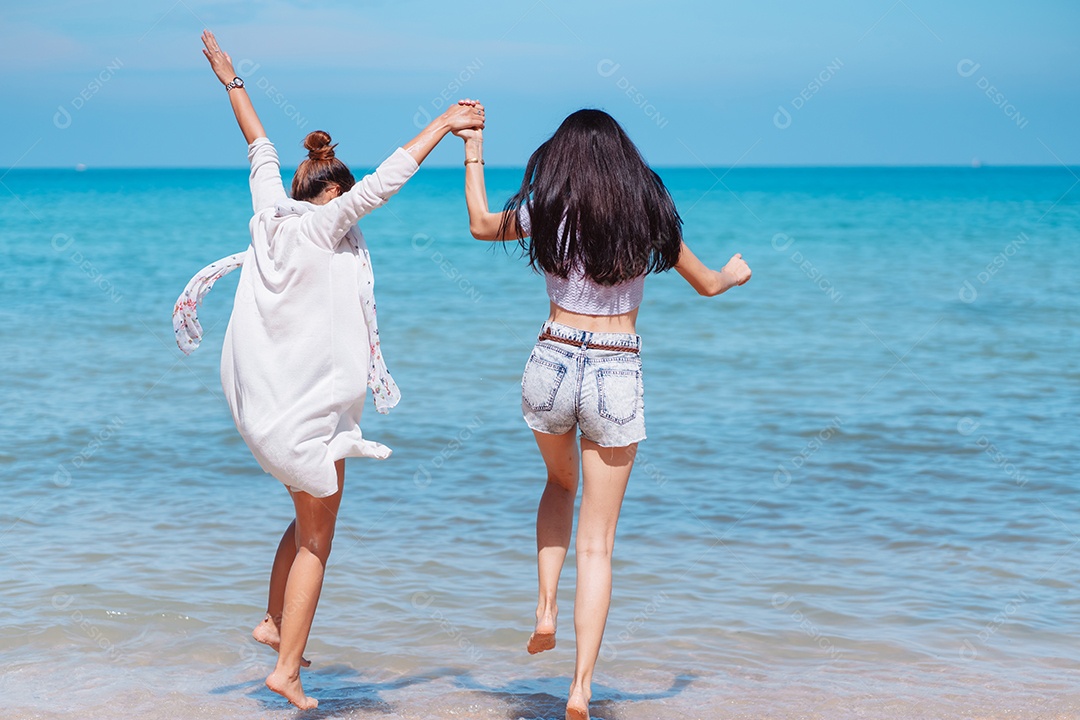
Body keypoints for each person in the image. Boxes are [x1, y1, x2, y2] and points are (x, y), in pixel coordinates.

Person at [184, 31, 484, 710]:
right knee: (318, 539)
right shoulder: (324, 225)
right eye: (346, 207)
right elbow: (382, 184)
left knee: (303, 516)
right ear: (333, 196)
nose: (354, 224)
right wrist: (444, 122)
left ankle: (272, 621)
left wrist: (231, 80)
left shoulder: (269, 212)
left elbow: (258, 145)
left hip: (266, 411)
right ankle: (286, 670)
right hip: (306, 417)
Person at [452, 108, 751, 720]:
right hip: (615, 367)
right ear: (625, 160)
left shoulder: (548, 210)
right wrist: (733, 274)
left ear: (561, 158)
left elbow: (481, 224)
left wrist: (474, 148)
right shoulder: (646, 213)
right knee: (598, 544)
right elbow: (706, 284)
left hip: (551, 359)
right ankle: (581, 688)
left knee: (558, 485)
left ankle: (544, 608)